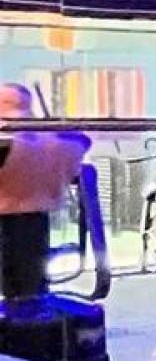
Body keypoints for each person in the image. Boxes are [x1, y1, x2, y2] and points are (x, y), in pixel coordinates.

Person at [0, 85, 90, 302]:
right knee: (30, 290)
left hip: (5, 219)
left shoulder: (9, 141)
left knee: (15, 287)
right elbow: (83, 141)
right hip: (38, 221)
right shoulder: (57, 142)